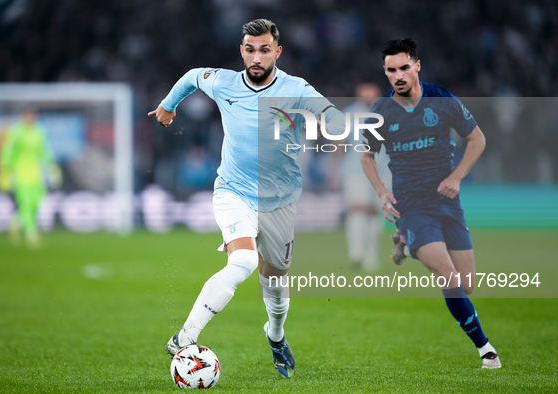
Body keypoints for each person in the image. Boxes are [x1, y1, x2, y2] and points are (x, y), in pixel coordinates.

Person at [149, 19, 343, 378]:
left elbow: (329, 112)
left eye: (264, 50)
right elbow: (193, 76)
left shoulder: (295, 88)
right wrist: (167, 105)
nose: (256, 57)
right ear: (242, 50)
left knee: (276, 287)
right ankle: (185, 336)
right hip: (232, 191)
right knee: (243, 262)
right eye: (250, 49)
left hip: (280, 201)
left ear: (277, 52)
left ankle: (275, 334)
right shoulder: (224, 82)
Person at [360, 38, 501, 369]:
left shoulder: (442, 100)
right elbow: (366, 157)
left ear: (417, 66)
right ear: (385, 72)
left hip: (448, 203)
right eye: (391, 70)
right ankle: (486, 350)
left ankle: (407, 246)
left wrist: (457, 176)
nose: (398, 75)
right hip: (410, 206)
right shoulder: (380, 112)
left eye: (404, 67)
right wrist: (382, 191)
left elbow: (477, 139)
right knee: (446, 275)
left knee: (467, 285)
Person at [340, 82, 391, 271]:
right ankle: (356, 252)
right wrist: (333, 169)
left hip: (383, 169)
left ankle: (371, 256)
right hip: (355, 169)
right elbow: (339, 143)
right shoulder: (349, 113)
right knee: (357, 209)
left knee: (375, 212)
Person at [0, 107, 61, 247]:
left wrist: (51, 166)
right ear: (23, 116)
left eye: (33, 116)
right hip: (20, 173)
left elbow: (44, 150)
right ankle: (31, 234)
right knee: (26, 203)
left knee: (36, 202)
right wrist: (6, 170)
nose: (30, 118)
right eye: (28, 115)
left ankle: (16, 221)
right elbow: (8, 150)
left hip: (36, 173)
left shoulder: (39, 131)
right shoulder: (16, 132)